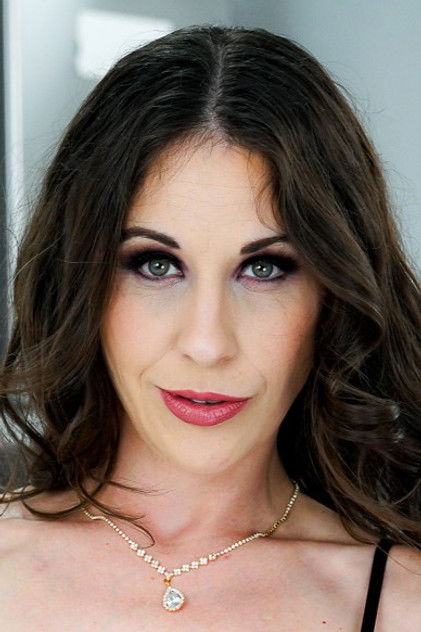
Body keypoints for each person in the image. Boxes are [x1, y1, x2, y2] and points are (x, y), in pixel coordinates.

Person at [0, 24, 420, 631]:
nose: (206, 343)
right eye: (156, 264)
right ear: (80, 281)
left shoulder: (400, 600)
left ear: (333, 295)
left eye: (264, 268)